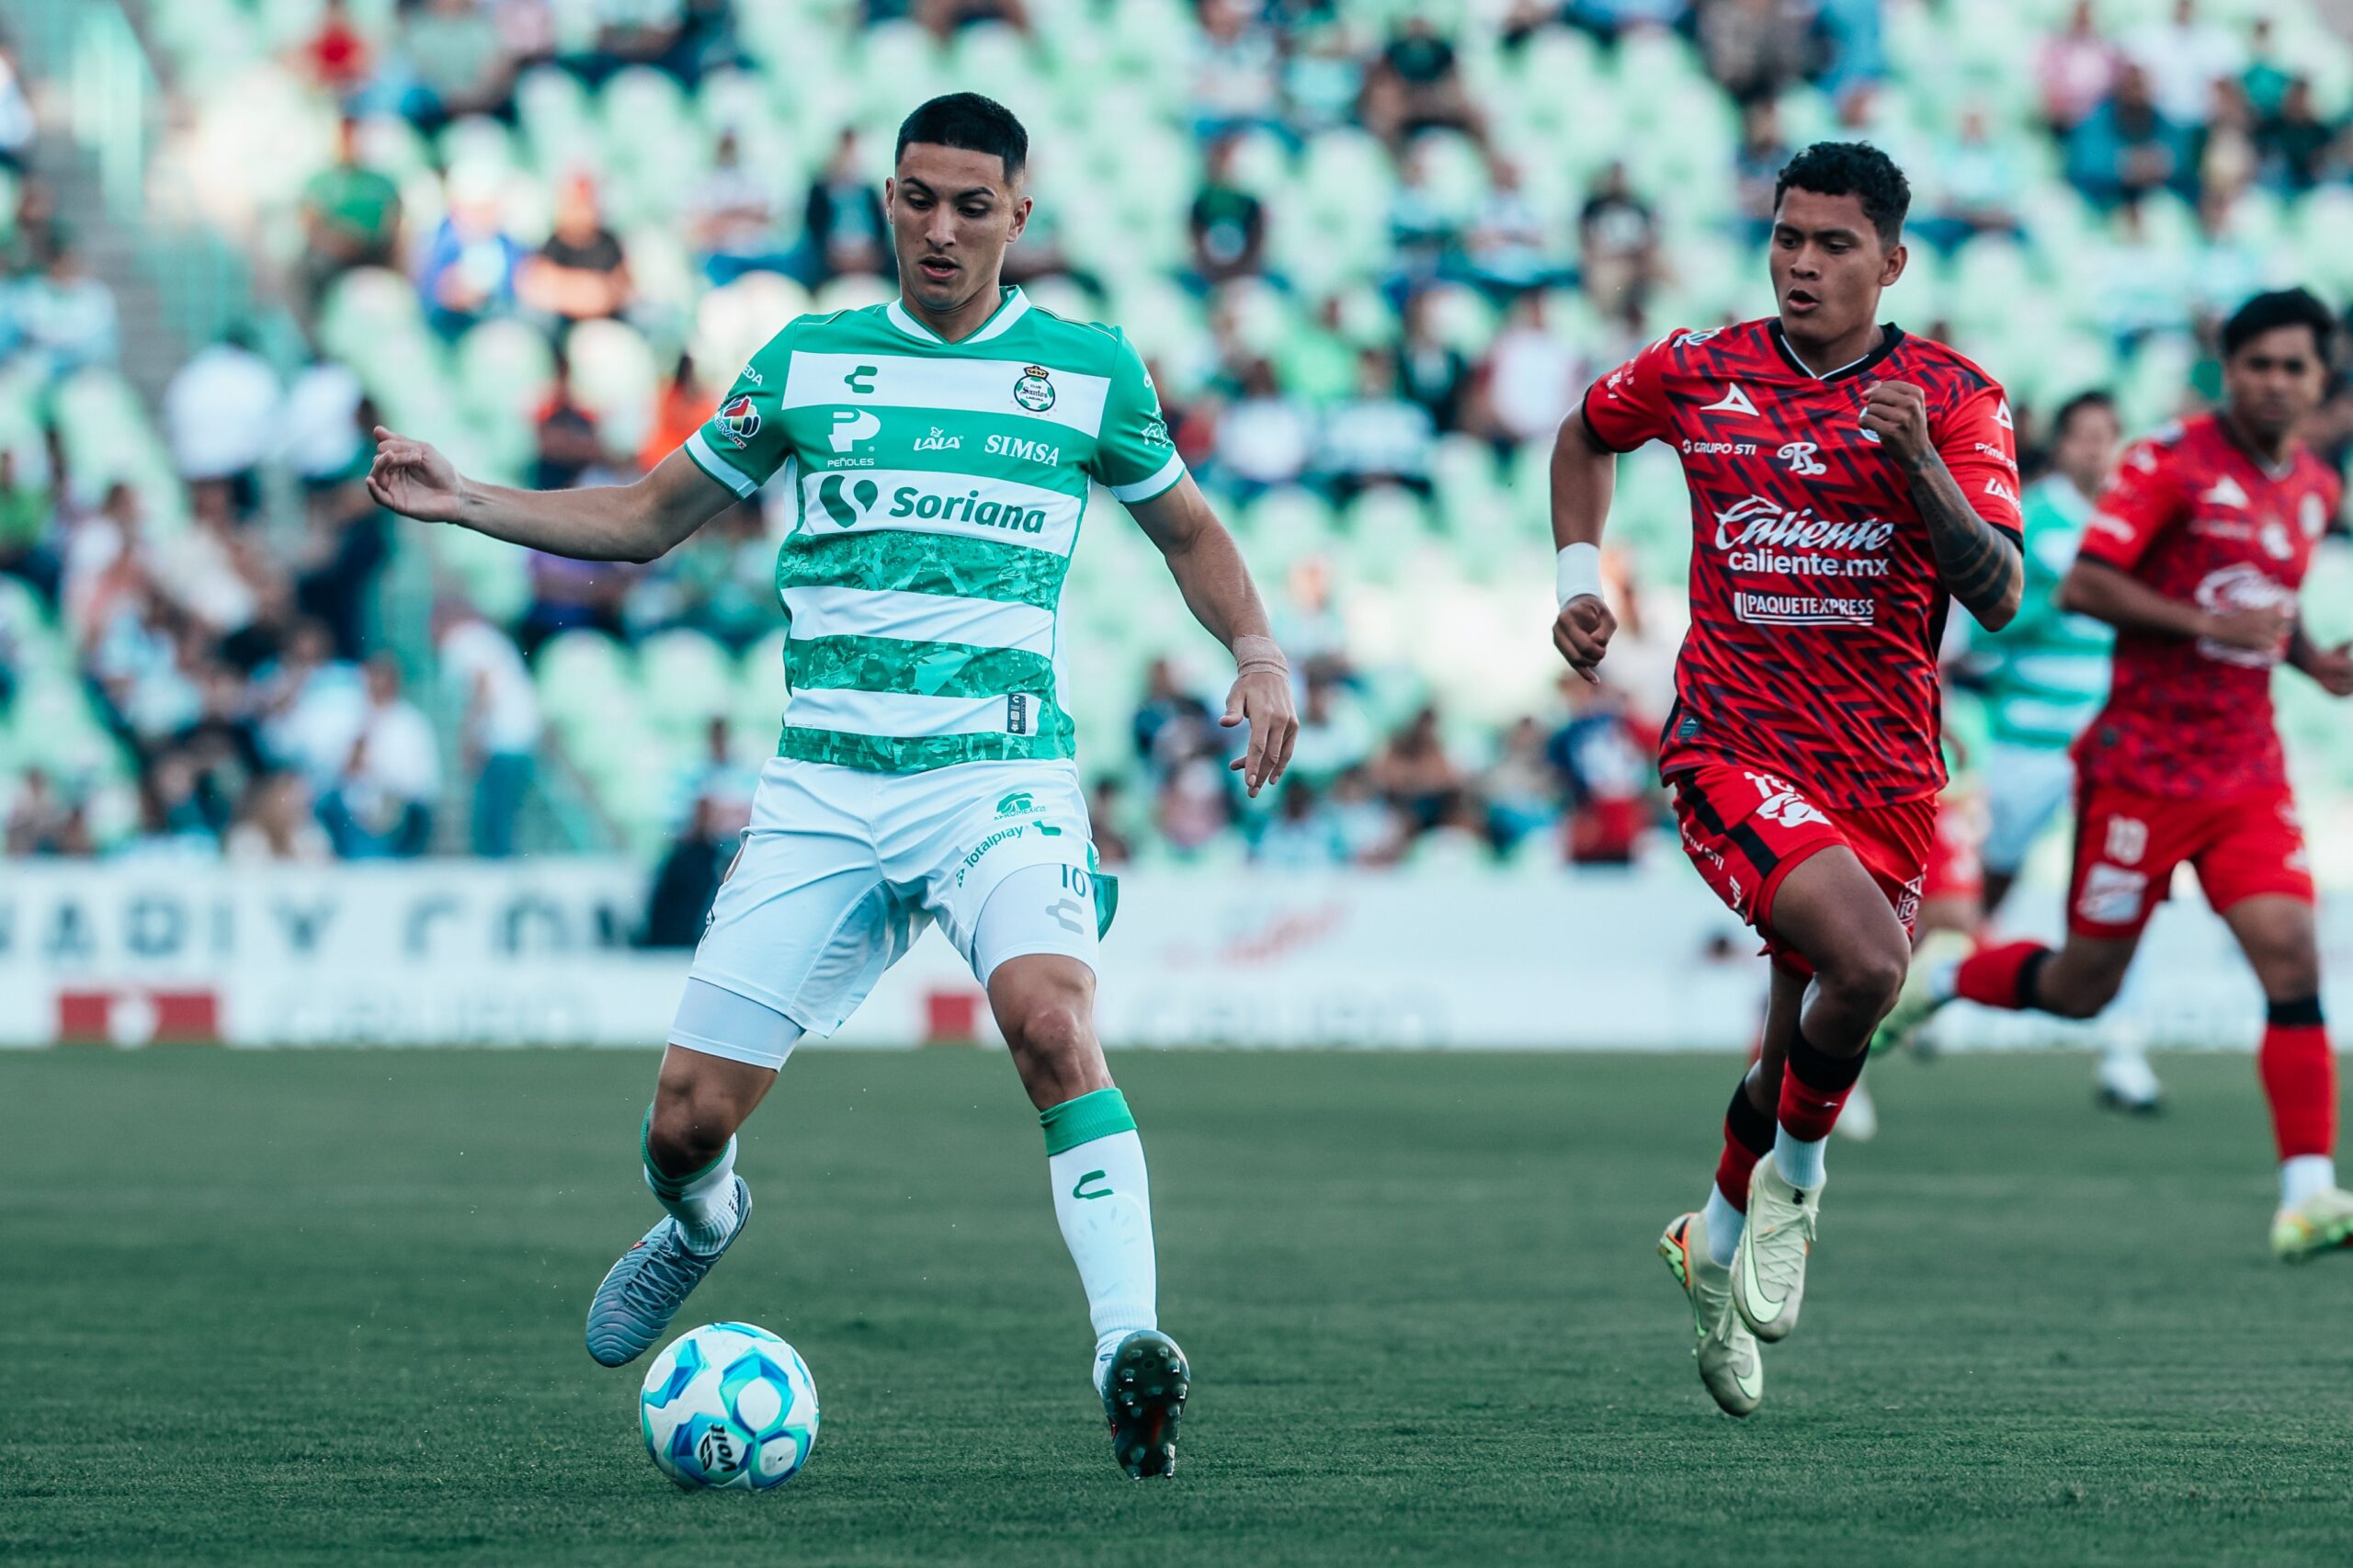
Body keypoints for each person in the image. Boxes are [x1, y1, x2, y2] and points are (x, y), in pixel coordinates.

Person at [364, 93, 1297, 1480]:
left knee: (1054, 1024)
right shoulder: (809, 362)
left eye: (972, 205)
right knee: (684, 1121)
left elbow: (1191, 528)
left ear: (1019, 217)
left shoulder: (1091, 373)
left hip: (1002, 775)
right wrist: (472, 499)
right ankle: (699, 1222)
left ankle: (1128, 1353)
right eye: (917, 198)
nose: (940, 226)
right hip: (827, 791)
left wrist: (1261, 647)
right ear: (887, 205)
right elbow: (642, 519)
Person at [1550, 142, 2025, 1418]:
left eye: (1834, 244)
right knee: (1870, 969)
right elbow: (1584, 434)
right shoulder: (1704, 371)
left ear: (1893, 261)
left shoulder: (1956, 398)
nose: (1802, 262)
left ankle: (1710, 1235)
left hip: (1885, 779)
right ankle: (1797, 1192)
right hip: (1732, 750)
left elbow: (2001, 593)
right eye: (1787, 236)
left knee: (1793, 1046)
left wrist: (1919, 463)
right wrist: (1578, 583)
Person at [1876, 289, 2353, 1262]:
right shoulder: (2168, 461)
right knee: (2084, 984)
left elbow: (2263, 600)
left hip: (2245, 771)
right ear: (2228, 370)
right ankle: (1957, 973)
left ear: (2319, 380)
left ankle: (2305, 1192)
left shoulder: (2312, 486)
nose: (2274, 381)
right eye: (2255, 363)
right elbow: (2089, 582)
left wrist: (2308, 660)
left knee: (2293, 958)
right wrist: (2210, 626)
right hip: (2138, 768)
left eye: (2293, 366)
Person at [1936, 390, 2155, 1108]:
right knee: (1986, 885)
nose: (2097, 450)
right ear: (2061, 445)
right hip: (2026, 739)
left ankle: (2124, 1051)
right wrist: (2060, 594)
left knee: (2122, 886)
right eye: (2085, 436)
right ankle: (1931, 993)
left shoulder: (2136, 517)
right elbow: (1984, 625)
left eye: (2108, 435)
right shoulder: (2027, 513)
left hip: (2111, 741)